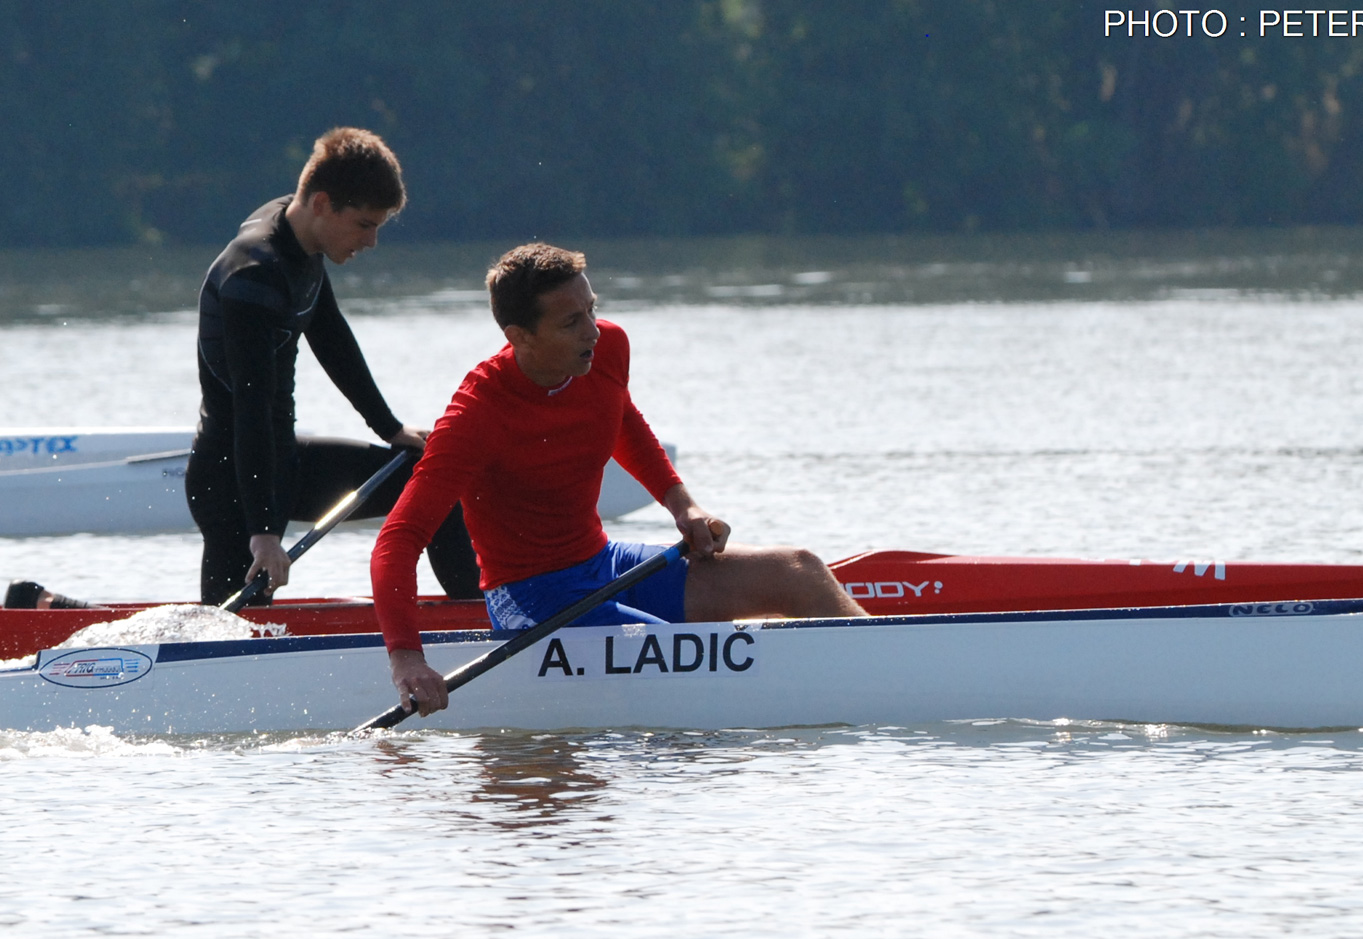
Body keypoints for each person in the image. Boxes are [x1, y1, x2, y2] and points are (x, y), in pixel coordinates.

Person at [371, 243, 867, 715]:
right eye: (572, 321)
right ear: (520, 336)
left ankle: (891, 674)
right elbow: (397, 540)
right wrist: (407, 659)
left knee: (798, 569)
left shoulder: (607, 350)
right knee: (685, 659)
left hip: (603, 564)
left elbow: (621, 420)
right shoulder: (475, 416)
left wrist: (682, 505)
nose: (593, 331)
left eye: (591, 308)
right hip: (528, 596)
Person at [188, 126, 479, 606]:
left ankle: (480, 613)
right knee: (230, 631)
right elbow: (252, 409)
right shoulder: (253, 278)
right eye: (365, 224)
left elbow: (332, 338)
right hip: (234, 481)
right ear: (322, 203)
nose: (372, 241)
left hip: (284, 461)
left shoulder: (301, 235)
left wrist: (391, 429)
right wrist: (262, 533)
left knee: (432, 481)